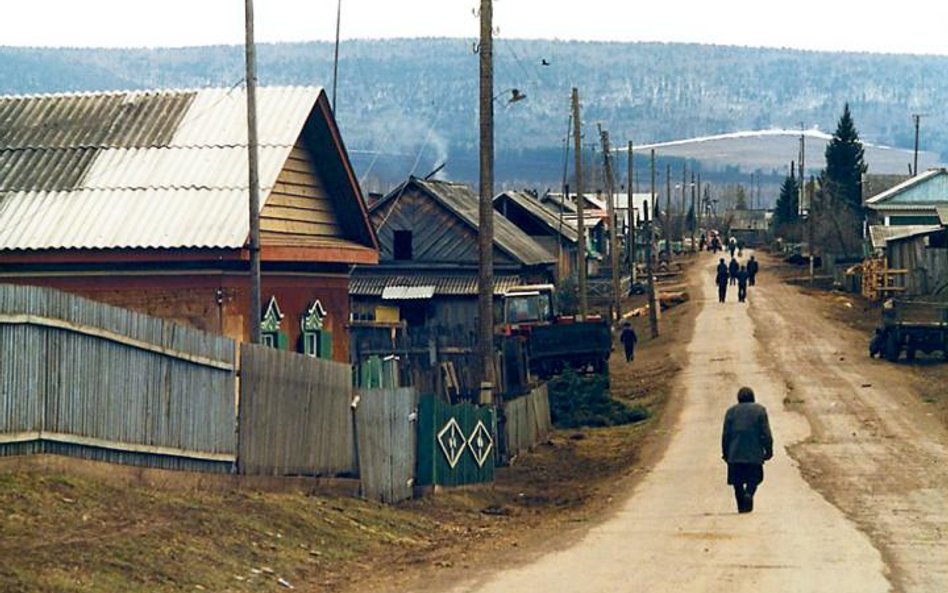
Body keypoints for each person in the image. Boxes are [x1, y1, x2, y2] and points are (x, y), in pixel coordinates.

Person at [722, 386, 773, 513]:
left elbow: (726, 435)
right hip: (754, 453)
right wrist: (768, 450)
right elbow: (766, 433)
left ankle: (741, 506)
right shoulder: (760, 410)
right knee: (754, 477)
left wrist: (725, 453)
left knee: (737, 482)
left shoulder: (730, 412)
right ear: (753, 398)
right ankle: (749, 493)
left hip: (734, 453)